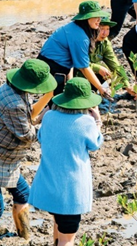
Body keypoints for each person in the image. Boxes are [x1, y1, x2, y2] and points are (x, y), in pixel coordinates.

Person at [0, 59, 57, 241]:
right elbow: (26, 134)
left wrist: (48, 96)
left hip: (6, 159)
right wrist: (50, 127)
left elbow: (30, 115)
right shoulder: (14, 104)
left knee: (23, 194)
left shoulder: (14, 91)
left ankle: (24, 237)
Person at [29, 78, 103, 246]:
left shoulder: (49, 117)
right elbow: (95, 144)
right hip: (72, 192)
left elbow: (40, 137)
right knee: (67, 239)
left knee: (58, 223)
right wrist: (97, 121)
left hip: (49, 186)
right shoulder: (86, 122)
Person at [38, 0, 112, 100]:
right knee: (55, 101)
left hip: (53, 64)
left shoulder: (75, 28)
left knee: (53, 100)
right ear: (86, 18)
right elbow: (83, 67)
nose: (99, 20)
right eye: (95, 17)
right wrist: (101, 89)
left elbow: (70, 59)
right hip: (52, 67)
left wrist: (70, 81)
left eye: (100, 17)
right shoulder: (80, 37)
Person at [76, 17, 136, 98]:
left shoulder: (105, 42)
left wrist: (127, 85)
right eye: (102, 29)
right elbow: (78, 63)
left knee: (107, 74)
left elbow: (115, 64)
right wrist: (97, 68)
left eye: (107, 29)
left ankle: (95, 94)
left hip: (90, 72)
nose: (105, 33)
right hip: (76, 72)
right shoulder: (83, 40)